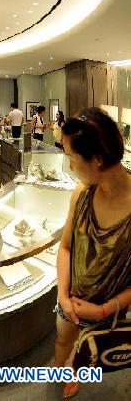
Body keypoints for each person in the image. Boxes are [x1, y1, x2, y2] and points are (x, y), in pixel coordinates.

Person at [54, 107, 131, 398]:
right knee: (63, 340)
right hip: (70, 298)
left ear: (96, 159)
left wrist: (102, 309)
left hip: (109, 307)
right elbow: (65, 247)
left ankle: (75, 372)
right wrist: (63, 296)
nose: (71, 167)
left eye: (72, 158)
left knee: (90, 349)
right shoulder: (82, 193)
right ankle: (60, 374)